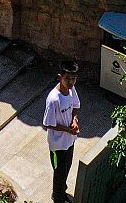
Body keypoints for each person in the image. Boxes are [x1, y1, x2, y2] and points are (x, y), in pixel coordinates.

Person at [42, 59, 81, 203]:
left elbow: (76, 106)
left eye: (73, 79)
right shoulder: (53, 100)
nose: (70, 82)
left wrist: (75, 120)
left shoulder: (71, 90)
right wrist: (67, 129)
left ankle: (61, 192)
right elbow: (48, 124)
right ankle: (57, 197)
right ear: (60, 77)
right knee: (59, 173)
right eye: (67, 79)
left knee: (66, 169)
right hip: (58, 145)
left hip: (69, 142)